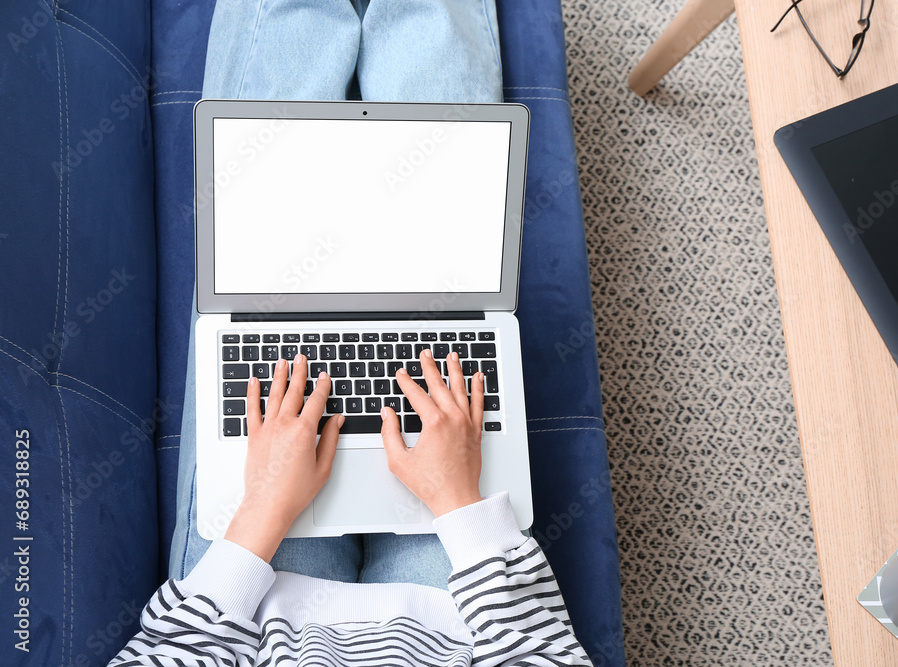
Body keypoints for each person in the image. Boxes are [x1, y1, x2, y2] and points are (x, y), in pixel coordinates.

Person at [109, 1, 593, 664]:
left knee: (261, 239)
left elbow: (165, 649)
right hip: (454, 614)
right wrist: (458, 500)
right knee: (443, 244)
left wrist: (261, 510)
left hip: (256, 600)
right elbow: (544, 650)